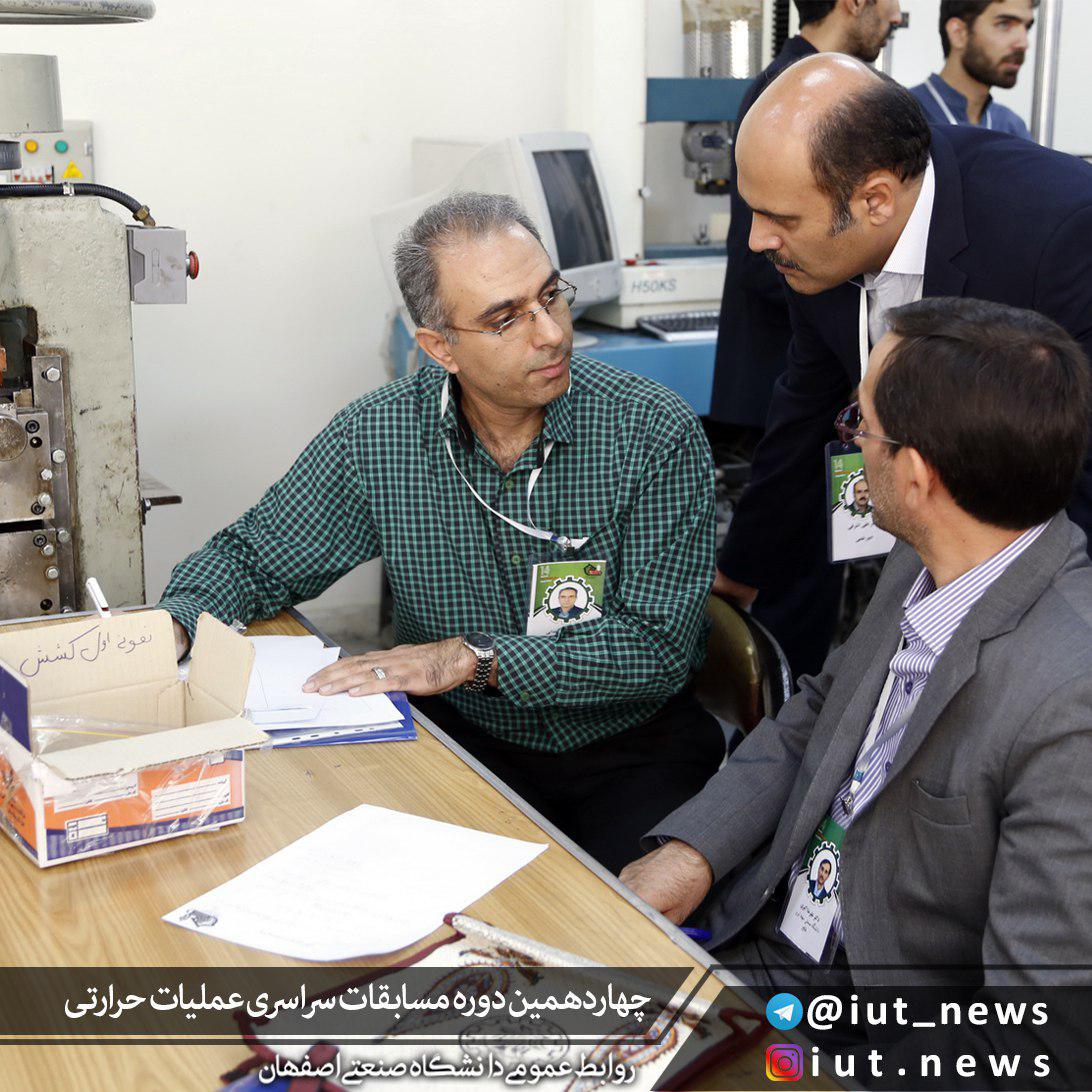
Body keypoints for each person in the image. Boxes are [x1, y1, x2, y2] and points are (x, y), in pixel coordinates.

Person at [158, 192, 725, 874]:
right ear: (439, 347)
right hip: (467, 738)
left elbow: (658, 650)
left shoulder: (653, 431)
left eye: (551, 296)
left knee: (620, 924)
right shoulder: (382, 435)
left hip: (632, 747)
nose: (550, 334)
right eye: (506, 319)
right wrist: (171, 627)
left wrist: (470, 659)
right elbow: (253, 558)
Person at [622, 297, 1092, 996]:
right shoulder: (925, 555)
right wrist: (694, 851)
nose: (851, 442)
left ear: (916, 476)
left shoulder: (1070, 705)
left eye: (859, 424)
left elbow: (1036, 1027)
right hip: (764, 933)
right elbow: (822, 710)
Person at [715, 54, 1092, 679]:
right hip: (921, 559)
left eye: (780, 218)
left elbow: (1082, 468)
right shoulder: (814, 244)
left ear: (876, 200)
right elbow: (805, 407)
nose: (757, 239)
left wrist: (1026, 648)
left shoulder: (1058, 232)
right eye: (753, 209)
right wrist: (741, 571)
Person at [708, 1, 902, 682]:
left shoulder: (843, 98)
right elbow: (756, 261)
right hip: (786, 404)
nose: (900, 14)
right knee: (790, 617)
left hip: (824, 409)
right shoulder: (789, 104)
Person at [909, 0, 1036, 139]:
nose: (1023, 43)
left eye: (1027, 27)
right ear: (958, 33)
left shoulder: (1011, 127)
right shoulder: (905, 114)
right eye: (1004, 24)